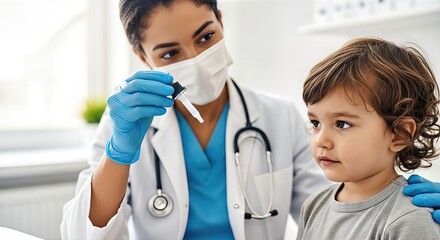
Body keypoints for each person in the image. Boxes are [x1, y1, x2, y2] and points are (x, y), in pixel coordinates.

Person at [60, 1, 440, 239]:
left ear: (221, 21)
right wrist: (120, 152)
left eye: (206, 37)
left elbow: (339, 208)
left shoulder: (276, 116)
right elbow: (83, 235)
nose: (195, 57)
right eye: (171, 52)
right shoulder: (126, 123)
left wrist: (396, 201)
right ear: (142, 57)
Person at [297, 37, 440, 239]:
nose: (321, 140)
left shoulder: (410, 219)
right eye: (315, 123)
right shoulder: (313, 206)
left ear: (399, 134)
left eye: (342, 124)